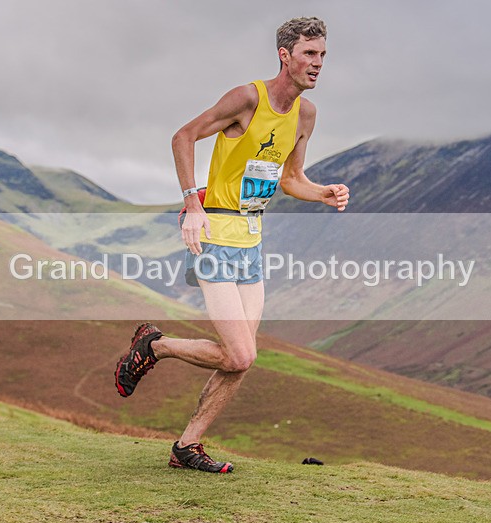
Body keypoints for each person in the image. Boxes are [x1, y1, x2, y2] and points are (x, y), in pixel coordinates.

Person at [115, 16, 349, 473]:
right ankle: (155, 346)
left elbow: (290, 178)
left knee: (241, 361)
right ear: (285, 56)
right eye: (309, 54)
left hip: (252, 243)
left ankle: (187, 446)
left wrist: (322, 192)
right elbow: (183, 137)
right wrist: (192, 203)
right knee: (241, 353)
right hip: (215, 235)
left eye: (322, 55)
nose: (317, 63)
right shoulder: (247, 98)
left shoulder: (305, 114)